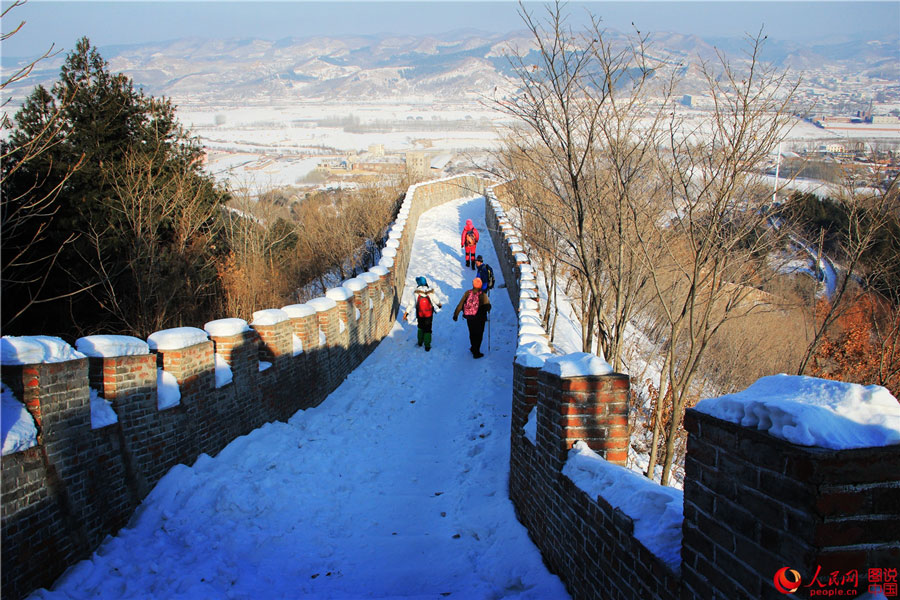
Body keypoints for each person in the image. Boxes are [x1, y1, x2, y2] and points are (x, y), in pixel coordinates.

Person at [452, 277, 491, 358]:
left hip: (469, 317)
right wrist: (488, 307)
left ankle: (473, 347)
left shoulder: (467, 293)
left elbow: (460, 304)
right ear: (480, 285)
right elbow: (487, 307)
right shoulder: (483, 295)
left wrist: (456, 315)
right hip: (480, 319)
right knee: (479, 334)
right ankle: (476, 352)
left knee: (472, 333)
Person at [403, 276, 442, 351]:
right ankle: (427, 346)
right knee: (428, 329)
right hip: (429, 314)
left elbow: (411, 304)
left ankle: (420, 342)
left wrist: (406, 313)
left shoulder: (416, 292)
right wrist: (439, 305)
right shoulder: (430, 291)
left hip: (420, 314)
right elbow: (436, 300)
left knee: (420, 327)